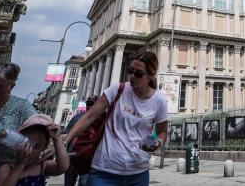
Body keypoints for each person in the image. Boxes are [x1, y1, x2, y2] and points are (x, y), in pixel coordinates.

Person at [62, 51, 168, 186]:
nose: (132, 76)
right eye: (131, 70)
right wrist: (65, 142)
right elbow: (89, 117)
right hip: (104, 171)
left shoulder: (159, 101)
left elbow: (163, 132)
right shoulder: (118, 89)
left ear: (151, 75)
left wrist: (157, 142)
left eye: (138, 73)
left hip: (138, 174)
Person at [0, 114, 69, 186]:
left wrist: (57, 139)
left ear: (44, 147)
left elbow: (63, 167)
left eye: (36, 146)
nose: (30, 150)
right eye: (26, 144)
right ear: (16, 142)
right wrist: (19, 165)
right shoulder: (6, 168)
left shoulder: (42, 166)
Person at [63, 95, 98, 186]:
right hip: (72, 156)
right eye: (88, 103)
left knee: (84, 182)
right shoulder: (77, 117)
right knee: (68, 183)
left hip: (87, 160)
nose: (90, 106)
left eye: (92, 104)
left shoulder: (99, 120)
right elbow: (66, 134)